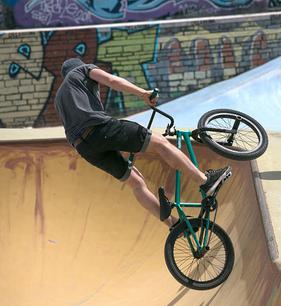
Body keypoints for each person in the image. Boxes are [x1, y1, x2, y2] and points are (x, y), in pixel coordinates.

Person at [55, 58, 232, 227]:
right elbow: (111, 80)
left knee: (136, 182)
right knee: (160, 143)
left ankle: (174, 225)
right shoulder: (82, 70)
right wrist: (143, 93)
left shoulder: (59, 99)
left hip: (85, 149)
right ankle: (204, 181)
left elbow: (83, 134)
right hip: (99, 129)